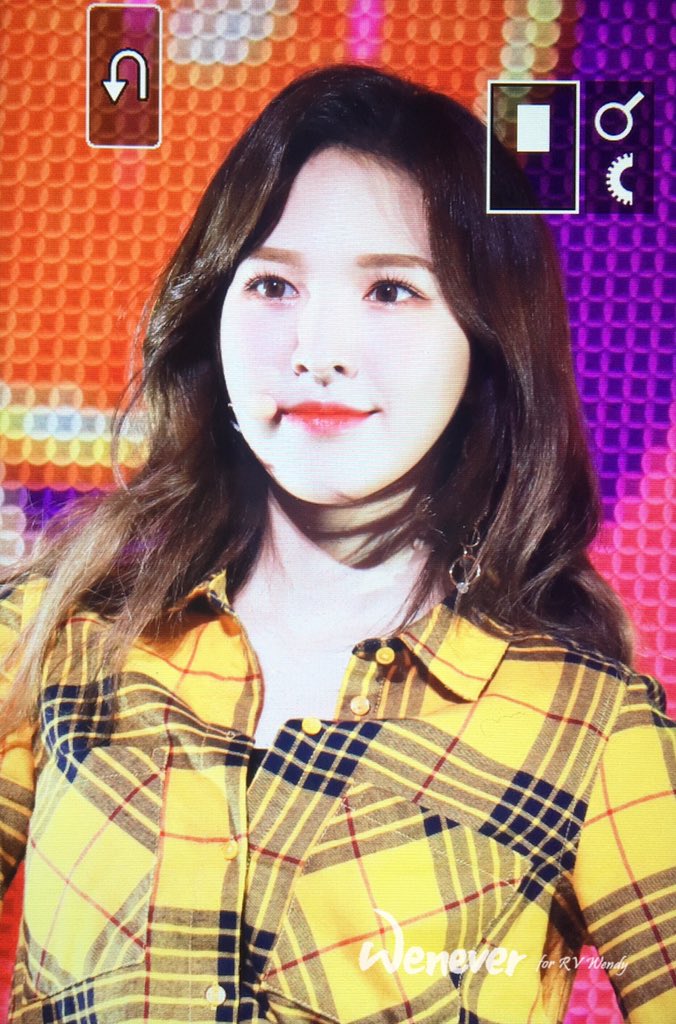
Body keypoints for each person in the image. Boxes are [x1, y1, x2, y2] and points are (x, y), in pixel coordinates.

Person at [0, 64, 674, 1024]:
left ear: (487, 340)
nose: (317, 350)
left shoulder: (586, 725)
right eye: (273, 284)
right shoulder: (58, 632)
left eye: (391, 291)